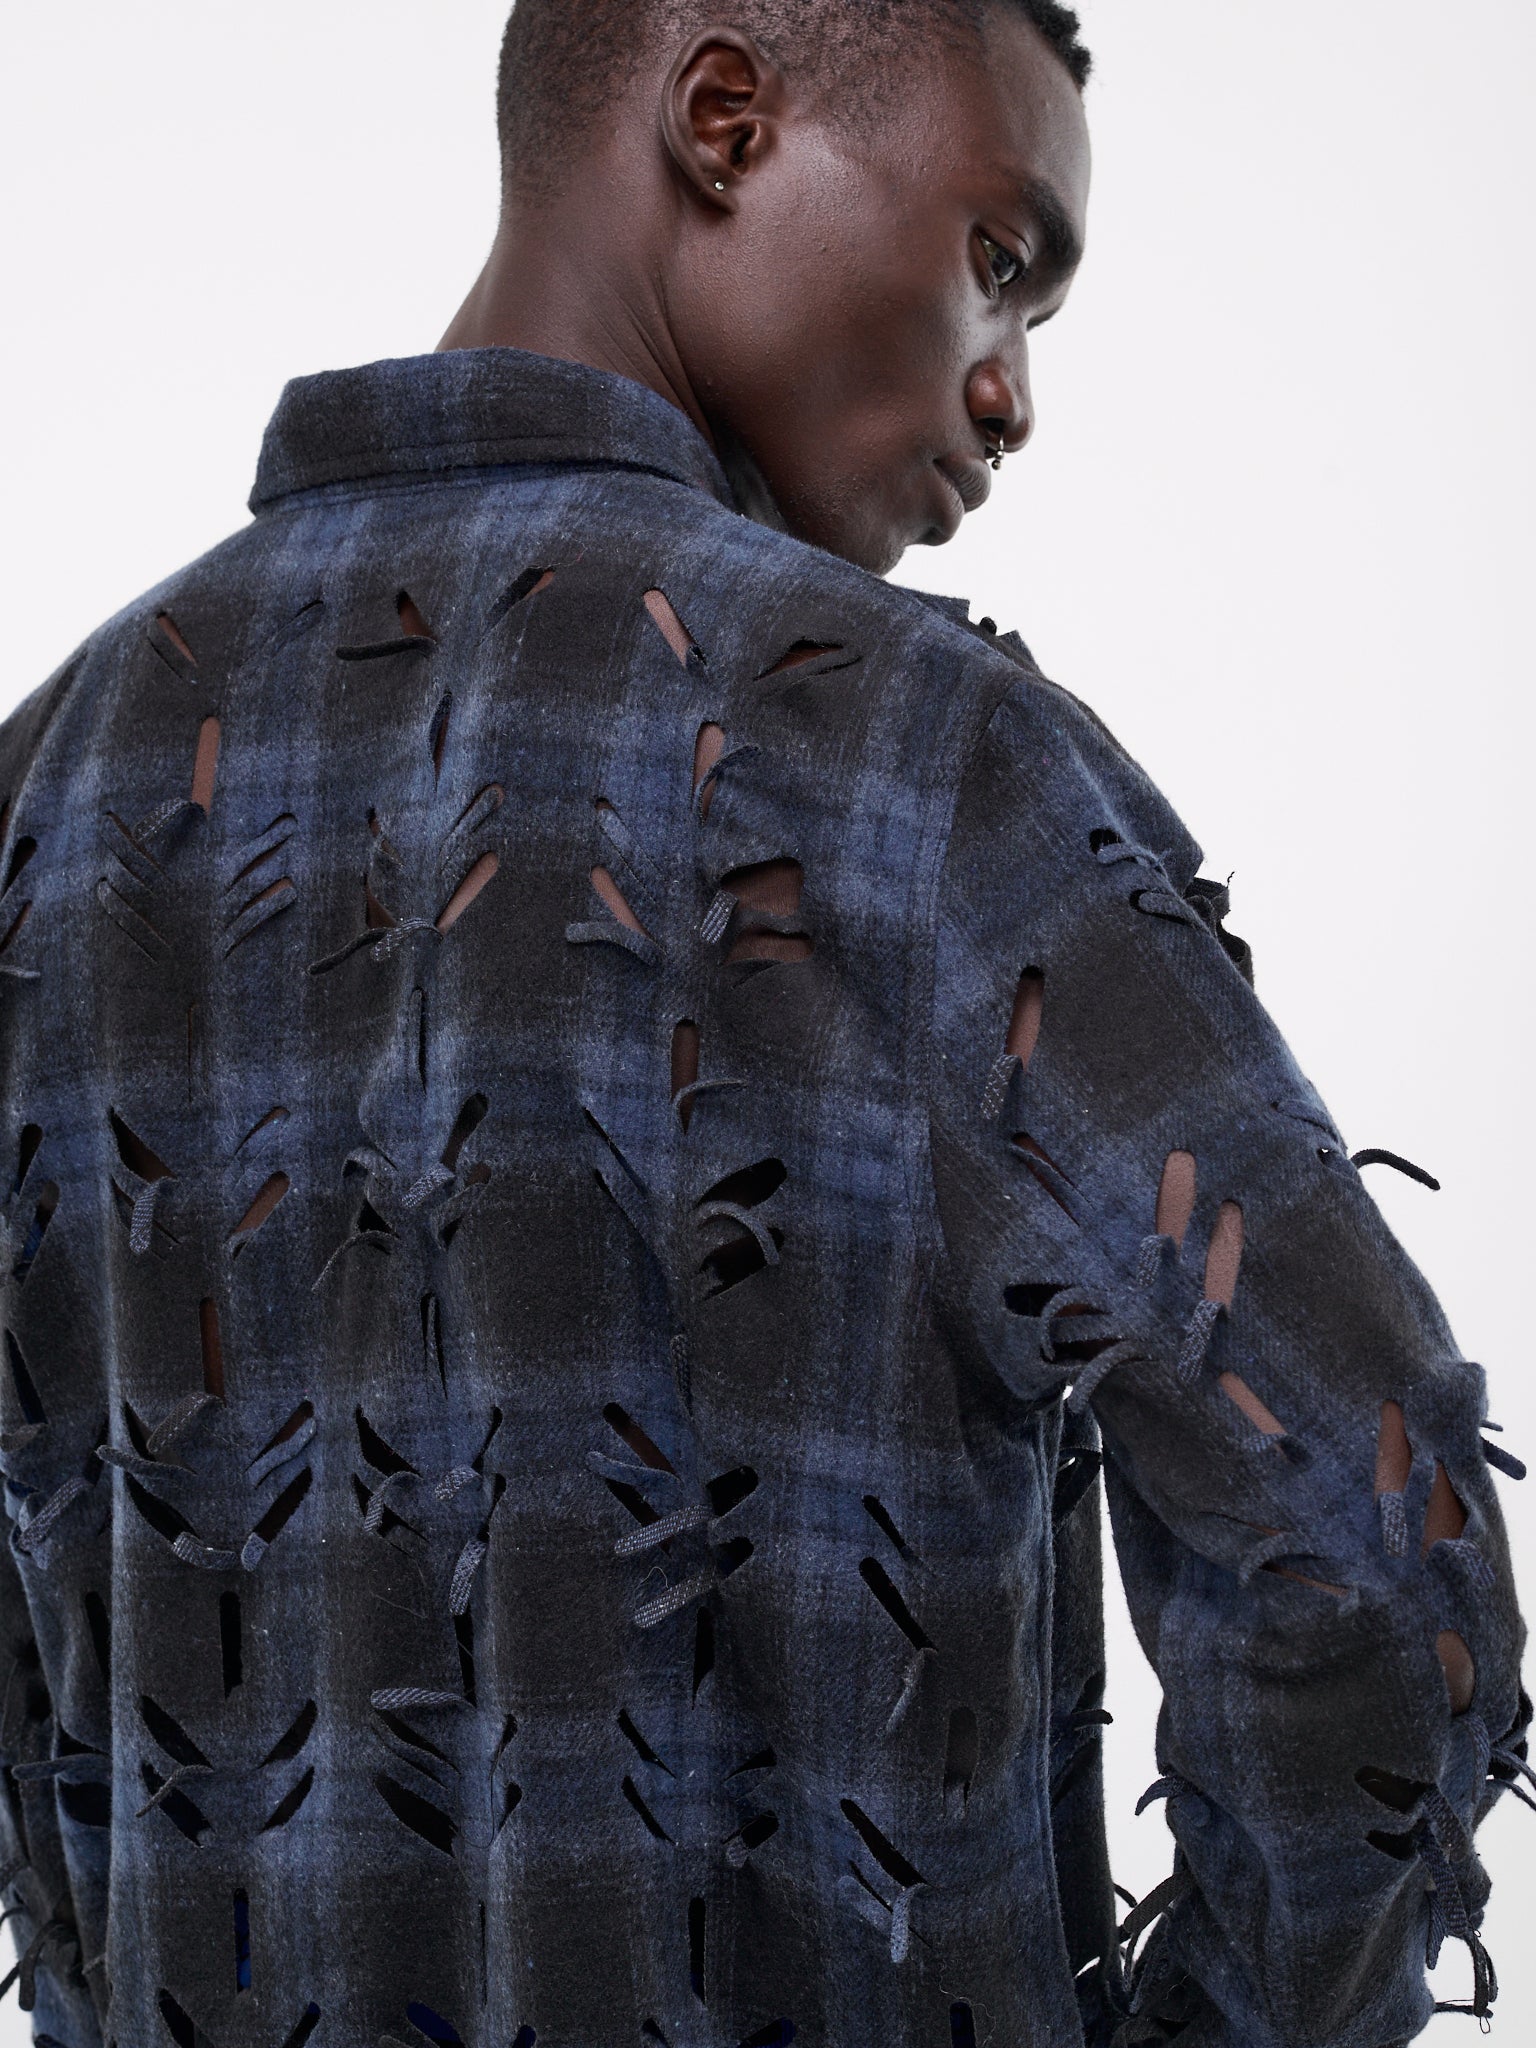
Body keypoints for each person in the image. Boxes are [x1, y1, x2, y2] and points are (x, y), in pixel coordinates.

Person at [0, 2, 1524, 2044]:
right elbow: (1371, 1550)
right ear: (724, 118)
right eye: (1002, 257)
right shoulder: (922, 763)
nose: (1013, 391)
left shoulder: (47, 788)